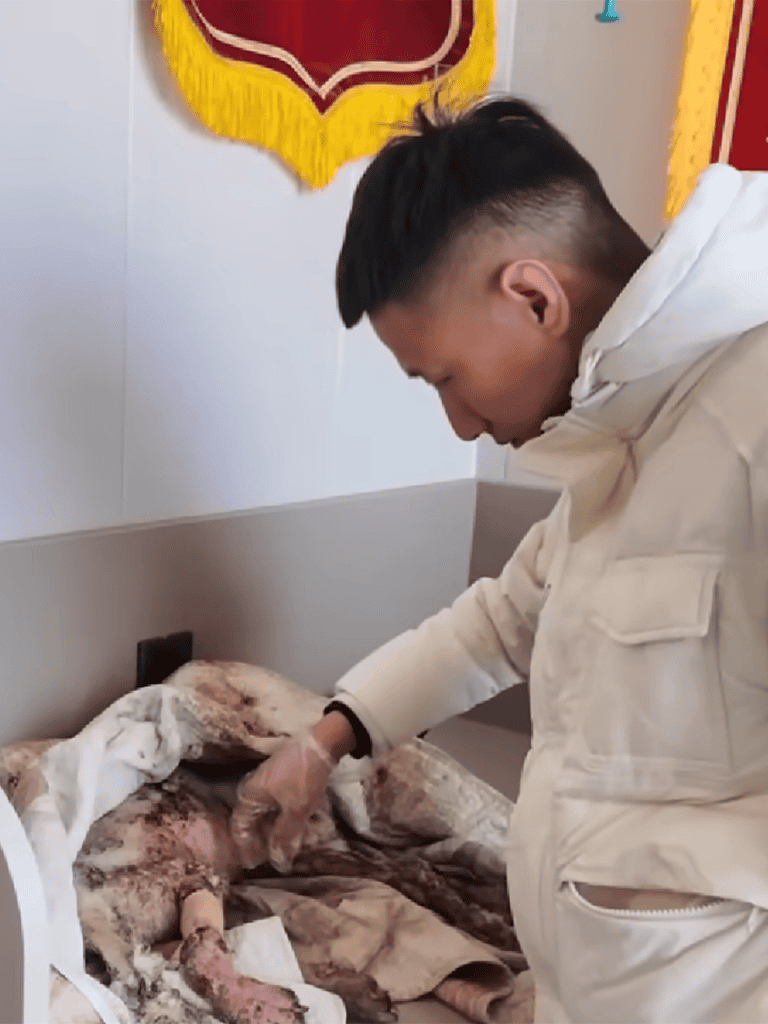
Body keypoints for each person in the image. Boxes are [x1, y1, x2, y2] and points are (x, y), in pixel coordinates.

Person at [230, 94, 768, 1023]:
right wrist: (323, 745)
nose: (461, 421)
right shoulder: (622, 445)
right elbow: (503, 620)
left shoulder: (748, 414)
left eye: (446, 377)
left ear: (533, 296)